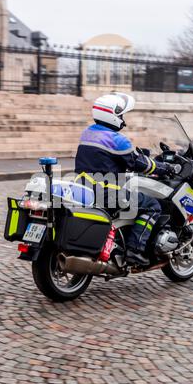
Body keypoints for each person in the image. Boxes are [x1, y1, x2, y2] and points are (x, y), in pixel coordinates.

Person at [74, 92, 174, 267]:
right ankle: (135, 251)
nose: (123, 119)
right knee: (152, 206)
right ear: (112, 114)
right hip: (107, 194)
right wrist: (164, 168)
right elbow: (139, 163)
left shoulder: (87, 133)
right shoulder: (117, 140)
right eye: (120, 115)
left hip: (84, 190)